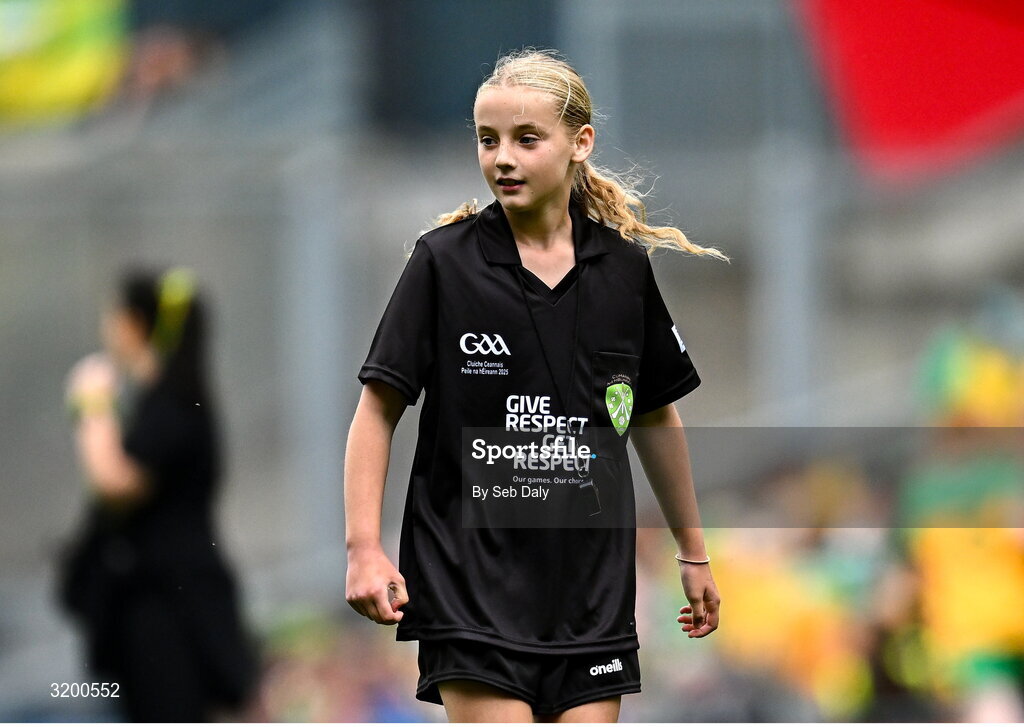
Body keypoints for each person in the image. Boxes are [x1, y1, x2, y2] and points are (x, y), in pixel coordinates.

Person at [345, 47, 726, 723]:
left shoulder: (624, 273)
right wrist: (364, 548)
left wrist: (692, 552)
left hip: (589, 593)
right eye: (487, 140)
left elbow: (654, 418)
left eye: (526, 139)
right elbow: (378, 409)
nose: (502, 158)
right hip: (470, 589)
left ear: (581, 143)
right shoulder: (442, 263)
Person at [58, 266, 259, 721]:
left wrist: (91, 404)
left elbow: (116, 484)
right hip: (157, 607)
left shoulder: (173, 404)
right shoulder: (164, 402)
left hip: (171, 615)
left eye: (113, 315)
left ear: (133, 323)